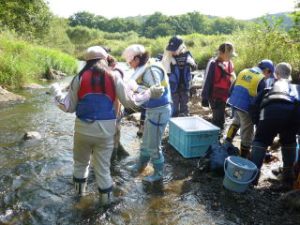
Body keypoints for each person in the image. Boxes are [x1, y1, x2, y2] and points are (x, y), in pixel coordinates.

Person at [50, 46, 165, 205]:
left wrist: (57, 95)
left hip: (82, 129)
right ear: (104, 59)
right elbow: (130, 102)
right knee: (103, 170)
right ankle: (105, 208)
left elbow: (69, 107)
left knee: (80, 165)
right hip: (106, 131)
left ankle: (78, 200)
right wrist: (150, 93)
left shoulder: (79, 77)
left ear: (86, 61)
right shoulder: (114, 76)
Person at [122, 44, 172, 183]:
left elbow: (157, 91)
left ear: (137, 58)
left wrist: (136, 88)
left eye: (130, 62)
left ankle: (158, 174)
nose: (130, 65)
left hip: (160, 110)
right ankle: (141, 165)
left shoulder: (151, 70)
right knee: (145, 142)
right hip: (152, 110)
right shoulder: (144, 67)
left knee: (154, 145)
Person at [250, 62, 300, 189]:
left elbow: (254, 107)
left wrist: (258, 124)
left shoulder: (269, 88)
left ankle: (253, 179)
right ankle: (288, 179)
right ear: (290, 76)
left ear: (276, 75)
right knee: (289, 142)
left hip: (270, 112)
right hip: (293, 112)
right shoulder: (296, 88)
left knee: (260, 141)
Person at [226, 59, 274, 158]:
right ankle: (244, 154)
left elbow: (231, 88)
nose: (269, 76)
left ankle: (227, 142)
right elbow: (259, 101)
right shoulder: (261, 80)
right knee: (248, 130)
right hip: (246, 107)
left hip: (234, 102)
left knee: (237, 121)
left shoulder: (244, 71)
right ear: (267, 70)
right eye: (270, 73)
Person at [201, 42, 236, 130]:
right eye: (229, 55)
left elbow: (232, 79)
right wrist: (204, 97)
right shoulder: (213, 63)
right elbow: (207, 80)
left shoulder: (229, 63)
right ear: (222, 53)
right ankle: (214, 138)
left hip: (225, 96)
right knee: (217, 118)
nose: (231, 57)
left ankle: (219, 134)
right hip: (215, 96)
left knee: (221, 117)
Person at [162, 36, 197, 117]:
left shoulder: (187, 55)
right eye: (171, 49)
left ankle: (184, 120)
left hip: (185, 86)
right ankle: (173, 121)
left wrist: (191, 64)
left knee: (185, 106)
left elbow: (195, 67)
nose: (172, 51)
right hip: (173, 87)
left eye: (174, 49)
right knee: (173, 106)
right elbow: (164, 71)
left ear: (181, 47)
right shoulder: (168, 57)